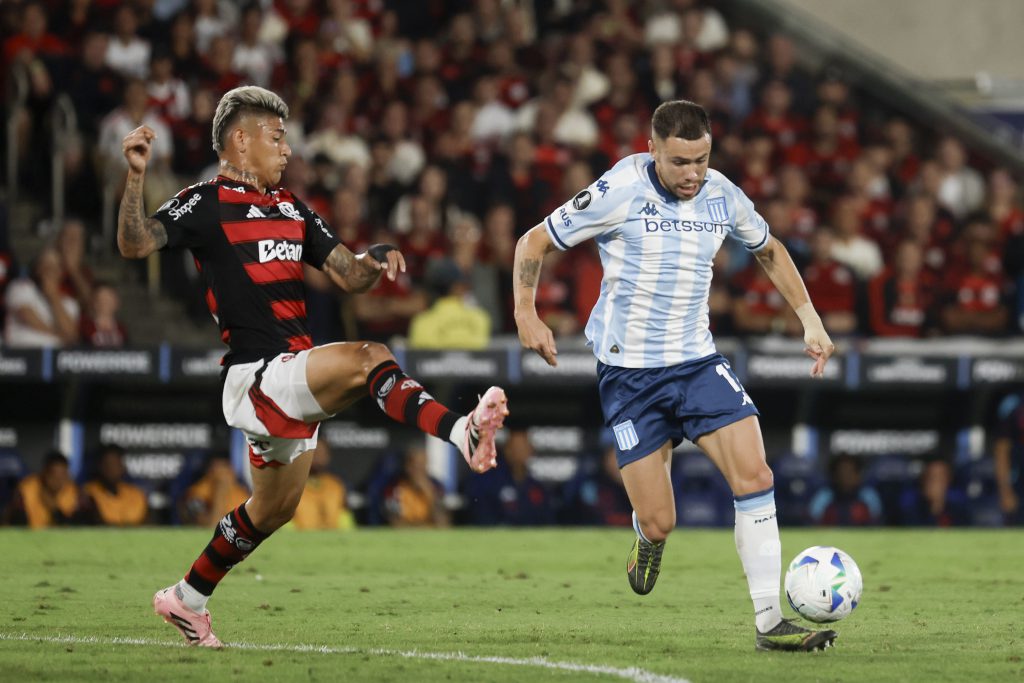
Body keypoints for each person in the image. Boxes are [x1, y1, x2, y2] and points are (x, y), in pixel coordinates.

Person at [117, 85, 508, 648]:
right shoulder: (205, 201)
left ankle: (186, 598)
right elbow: (133, 243)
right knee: (369, 356)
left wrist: (376, 259)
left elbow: (348, 274)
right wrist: (135, 176)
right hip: (257, 375)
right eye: (276, 137)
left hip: (291, 371)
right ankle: (460, 430)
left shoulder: (291, 207)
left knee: (273, 510)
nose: (287, 149)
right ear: (240, 141)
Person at [512, 100, 837, 652]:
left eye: (702, 159)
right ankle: (646, 535)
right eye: (680, 161)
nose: (692, 173)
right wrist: (526, 312)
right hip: (631, 377)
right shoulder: (618, 190)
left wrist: (810, 320)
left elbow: (770, 250)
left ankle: (768, 623)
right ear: (652, 149)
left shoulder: (722, 194)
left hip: (697, 362)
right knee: (662, 520)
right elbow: (533, 242)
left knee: (756, 476)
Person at [4, 451, 79, 528]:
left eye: (62, 476)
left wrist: (54, 510)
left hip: (60, 538)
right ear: (44, 473)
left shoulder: (73, 491)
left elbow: (73, 527)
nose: (58, 481)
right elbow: (14, 522)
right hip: (29, 536)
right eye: (54, 476)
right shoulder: (27, 488)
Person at [382, 444, 449, 528]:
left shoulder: (436, 486)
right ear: (407, 466)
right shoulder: (394, 488)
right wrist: (425, 528)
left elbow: (443, 525)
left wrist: (430, 496)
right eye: (416, 465)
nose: (419, 470)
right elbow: (395, 524)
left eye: (423, 465)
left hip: (431, 538)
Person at [81, 443, 148, 526]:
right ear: (100, 466)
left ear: (123, 467)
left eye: (115, 463)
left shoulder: (136, 494)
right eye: (107, 464)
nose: (111, 469)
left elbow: (148, 525)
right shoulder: (88, 492)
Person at [807, 454, 883, 526]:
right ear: (834, 476)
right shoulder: (824, 495)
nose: (845, 476)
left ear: (858, 475)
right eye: (841, 472)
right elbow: (813, 521)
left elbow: (877, 521)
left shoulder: (868, 494)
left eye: (850, 472)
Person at [290, 439, 350, 530]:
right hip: (299, 538)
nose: (318, 456)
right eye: (314, 451)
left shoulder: (336, 485)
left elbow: (345, 517)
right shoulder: (291, 485)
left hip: (334, 539)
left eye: (322, 452)